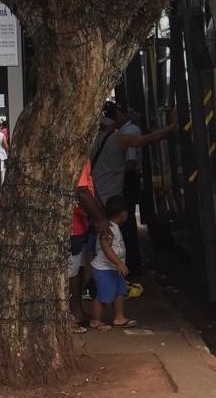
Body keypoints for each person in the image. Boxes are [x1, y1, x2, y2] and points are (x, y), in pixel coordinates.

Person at [91, 101, 178, 275]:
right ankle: (118, 275)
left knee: (97, 245)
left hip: (93, 198)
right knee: (112, 241)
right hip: (110, 201)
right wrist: (172, 126)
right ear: (115, 119)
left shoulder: (93, 141)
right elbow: (147, 139)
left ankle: (97, 280)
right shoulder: (119, 139)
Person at [67, 160, 108, 332]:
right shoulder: (75, 158)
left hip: (79, 222)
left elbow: (90, 191)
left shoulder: (83, 158)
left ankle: (77, 310)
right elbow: (82, 191)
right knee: (70, 272)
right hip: (72, 225)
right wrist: (100, 219)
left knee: (78, 269)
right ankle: (69, 315)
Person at [89, 195, 138, 330]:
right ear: (123, 213)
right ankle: (96, 319)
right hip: (104, 269)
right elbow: (106, 249)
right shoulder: (108, 228)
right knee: (104, 294)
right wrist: (119, 263)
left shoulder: (114, 227)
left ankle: (119, 317)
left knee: (120, 292)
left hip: (113, 268)